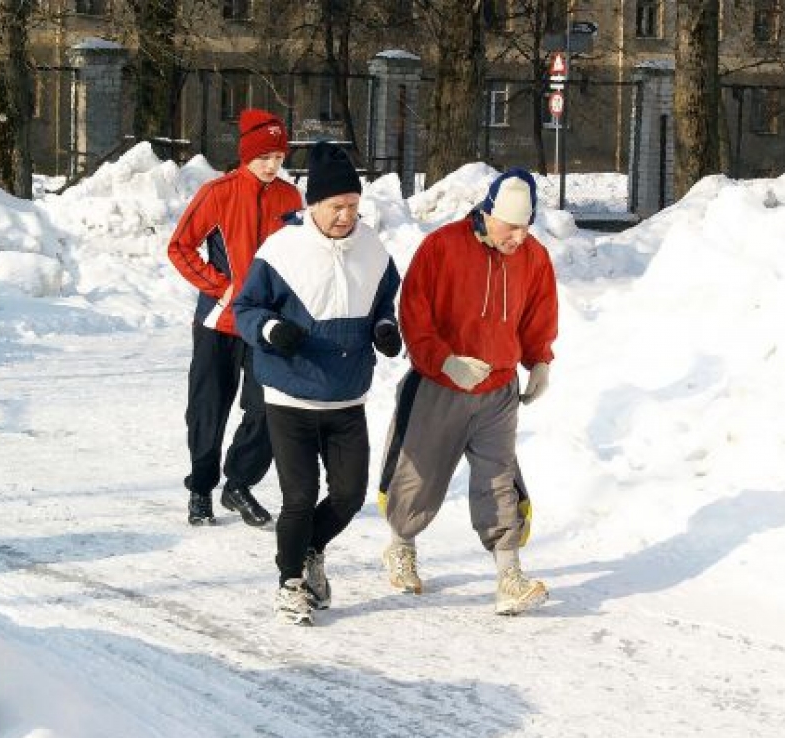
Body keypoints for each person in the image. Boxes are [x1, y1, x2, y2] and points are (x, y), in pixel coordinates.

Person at [233, 141, 402, 625]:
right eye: (337, 207)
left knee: (349, 495)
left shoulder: (373, 249)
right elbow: (246, 307)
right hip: (290, 395)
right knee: (300, 497)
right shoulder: (281, 250)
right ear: (313, 205)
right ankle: (289, 583)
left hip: (347, 395)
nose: (347, 216)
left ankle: (311, 549)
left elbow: (383, 302)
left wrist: (384, 328)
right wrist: (270, 329)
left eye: (353, 205)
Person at [377, 168, 558, 616]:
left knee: (498, 477)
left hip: (498, 390)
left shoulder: (533, 256)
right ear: (488, 213)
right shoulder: (442, 247)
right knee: (420, 475)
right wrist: (444, 361)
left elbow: (539, 312)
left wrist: (539, 360)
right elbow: (415, 312)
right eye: (511, 226)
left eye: (526, 226)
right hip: (440, 385)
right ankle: (401, 544)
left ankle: (509, 573)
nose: (519, 236)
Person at [167, 109, 303, 527]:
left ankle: (239, 484)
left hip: (265, 324)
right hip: (219, 322)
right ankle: (201, 489)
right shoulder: (217, 193)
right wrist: (220, 286)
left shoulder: (290, 198)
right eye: (265, 157)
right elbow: (179, 247)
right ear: (247, 155)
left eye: (279, 157)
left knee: (268, 407)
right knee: (208, 409)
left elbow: (299, 257)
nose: (272, 165)